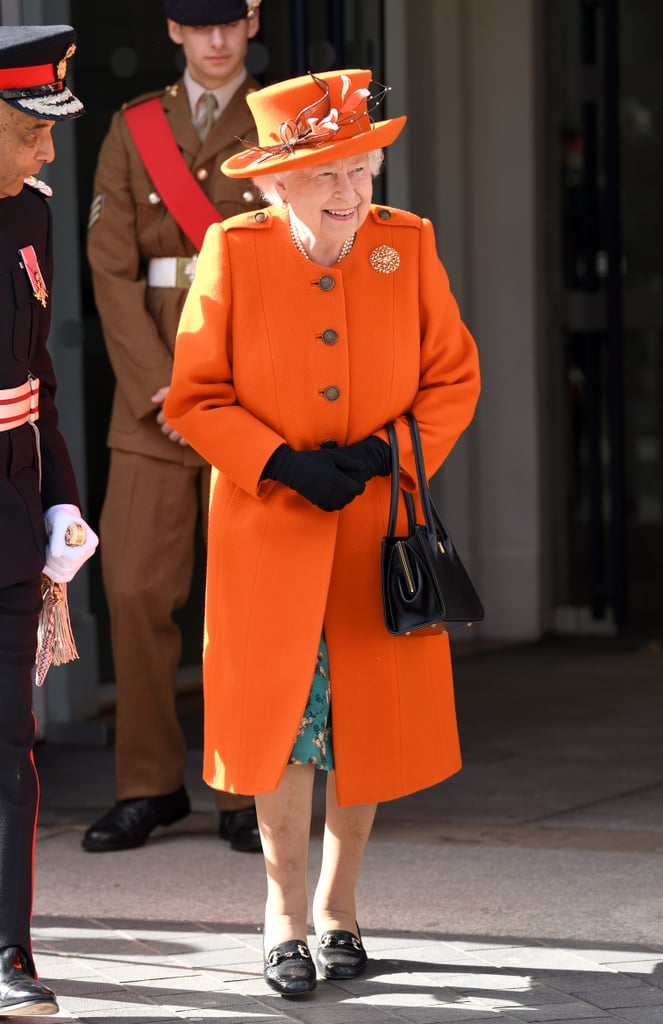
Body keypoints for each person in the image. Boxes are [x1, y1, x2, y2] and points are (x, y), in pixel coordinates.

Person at [163, 68, 481, 997]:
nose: (351, 194)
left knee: (363, 724)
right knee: (286, 728)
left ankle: (341, 908)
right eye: (328, 176)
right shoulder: (234, 249)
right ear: (275, 183)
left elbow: (452, 378)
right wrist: (280, 462)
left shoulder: (406, 245)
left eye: (362, 170)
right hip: (271, 524)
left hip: (376, 529)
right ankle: (283, 917)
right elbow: (195, 395)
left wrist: (394, 453)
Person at [83, 0, 265, 854]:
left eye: (231, 21)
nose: (218, 40)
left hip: (252, 383)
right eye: (200, 25)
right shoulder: (134, 129)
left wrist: (220, 387)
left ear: (253, 21)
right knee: (134, 589)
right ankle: (149, 785)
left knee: (242, 600)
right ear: (173, 30)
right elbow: (109, 265)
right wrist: (164, 387)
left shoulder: (282, 118)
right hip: (150, 388)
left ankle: (243, 784)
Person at [0, 24, 98, 1015]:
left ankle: (11, 951)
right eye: (33, 128)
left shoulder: (31, 216)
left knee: (10, 746)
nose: (48, 149)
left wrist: (62, 498)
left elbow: (41, 382)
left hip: (17, 519)